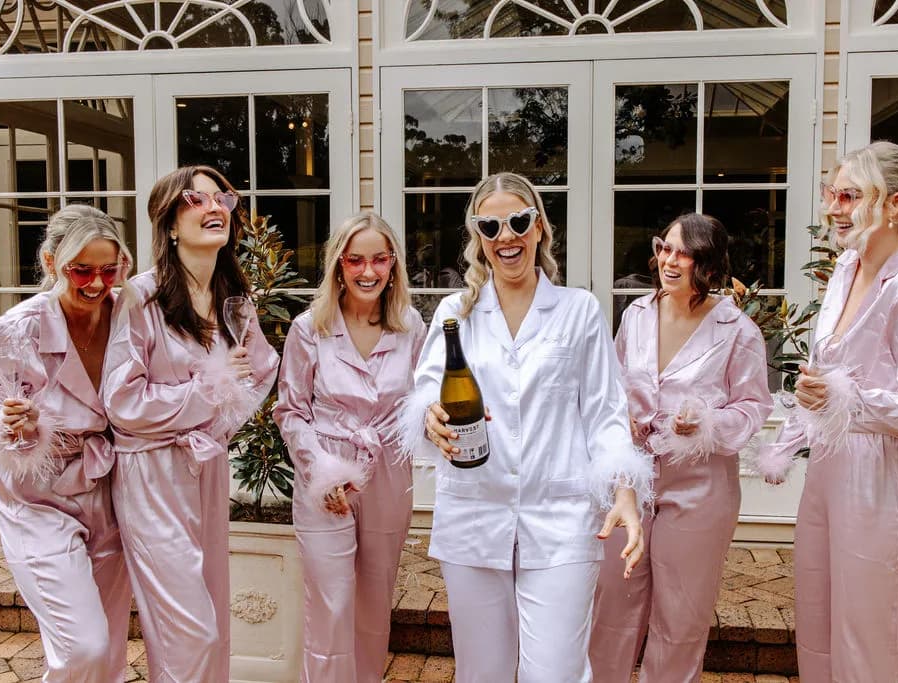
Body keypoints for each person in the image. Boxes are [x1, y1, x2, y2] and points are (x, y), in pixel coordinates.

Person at [402, 171, 653, 682]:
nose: (506, 237)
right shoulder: (456, 312)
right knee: (482, 673)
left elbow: (605, 412)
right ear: (478, 237)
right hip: (474, 515)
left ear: (538, 227)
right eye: (489, 227)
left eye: (517, 221)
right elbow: (428, 390)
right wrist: (431, 418)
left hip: (559, 518)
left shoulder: (578, 311)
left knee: (556, 673)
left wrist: (624, 491)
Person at [757, 141, 898, 682]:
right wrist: (809, 403)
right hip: (831, 468)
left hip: (888, 481)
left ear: (894, 204)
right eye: (831, 193)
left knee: (869, 646)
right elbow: (838, 372)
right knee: (819, 631)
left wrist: (851, 398)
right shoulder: (847, 270)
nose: (833, 207)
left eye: (849, 195)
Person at [103, 165, 279, 681]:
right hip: (152, 475)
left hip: (207, 463)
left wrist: (219, 422)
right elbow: (122, 400)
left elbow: (261, 370)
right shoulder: (141, 297)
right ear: (170, 224)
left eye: (220, 198)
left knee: (214, 618)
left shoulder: (234, 300)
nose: (213, 208)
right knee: (189, 629)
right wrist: (205, 393)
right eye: (194, 200)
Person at [589, 213, 772, 682]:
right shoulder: (635, 315)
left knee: (681, 616)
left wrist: (709, 421)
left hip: (701, 485)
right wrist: (619, 414)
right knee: (612, 599)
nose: (668, 260)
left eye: (683, 253)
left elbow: (754, 406)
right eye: (664, 247)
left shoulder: (737, 330)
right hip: (630, 478)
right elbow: (611, 385)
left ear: (707, 264)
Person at [0, 205, 133, 682]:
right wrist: (15, 426)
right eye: (82, 270)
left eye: (109, 269)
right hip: (38, 501)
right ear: (50, 263)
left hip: (111, 493)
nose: (97, 283)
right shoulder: (13, 332)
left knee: (110, 651)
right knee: (84, 646)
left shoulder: (130, 319)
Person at [274, 211, 426, 682]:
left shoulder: (411, 326)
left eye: (379, 259)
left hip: (388, 474)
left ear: (393, 264)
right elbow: (290, 410)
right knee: (331, 604)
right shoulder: (308, 328)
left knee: (375, 601)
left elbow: (424, 401)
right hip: (325, 473)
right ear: (339, 264)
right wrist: (322, 471)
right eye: (356, 259)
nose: (368, 271)